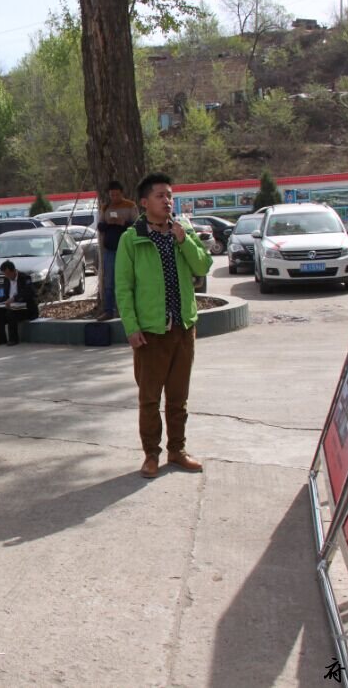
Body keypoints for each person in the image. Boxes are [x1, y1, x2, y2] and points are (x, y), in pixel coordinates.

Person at [116, 172, 212, 479]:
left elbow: (203, 265)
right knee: (149, 399)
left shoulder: (182, 231)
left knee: (178, 398)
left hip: (183, 329)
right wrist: (131, 327)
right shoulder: (132, 239)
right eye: (160, 196)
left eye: (170, 195)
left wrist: (184, 240)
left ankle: (177, 450)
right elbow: (123, 288)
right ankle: (151, 455)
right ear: (145, 203)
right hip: (151, 333)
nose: (167, 201)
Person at [96, 180, 139, 321]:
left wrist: (124, 223)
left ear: (122, 193)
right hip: (110, 249)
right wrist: (109, 223)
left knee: (128, 280)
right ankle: (109, 310)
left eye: (117, 195)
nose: (114, 197)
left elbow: (137, 226)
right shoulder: (105, 207)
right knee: (109, 282)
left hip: (126, 250)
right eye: (112, 195)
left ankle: (130, 310)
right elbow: (100, 226)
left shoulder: (130, 206)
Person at [0, 261, 39, 346]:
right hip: (12, 306)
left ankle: (13, 339)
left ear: (13, 271)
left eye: (7, 274)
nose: (6, 276)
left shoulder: (25, 278)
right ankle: (1, 339)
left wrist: (14, 298)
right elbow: (5, 296)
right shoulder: (6, 280)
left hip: (25, 308)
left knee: (11, 313)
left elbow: (29, 293)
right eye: (5, 274)